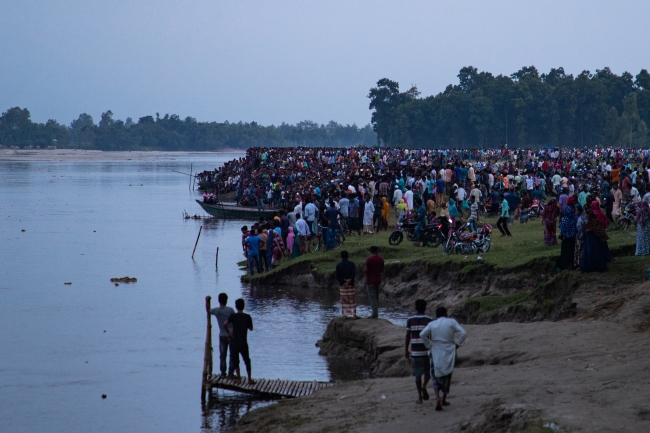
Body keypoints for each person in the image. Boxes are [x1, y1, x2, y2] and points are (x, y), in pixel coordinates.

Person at [419, 306, 467, 411]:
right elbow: (463, 333)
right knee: (447, 375)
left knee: (434, 374)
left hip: (435, 351)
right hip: (449, 350)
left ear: (436, 315)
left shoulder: (432, 324)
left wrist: (429, 344)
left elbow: (422, 334)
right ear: (446, 313)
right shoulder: (452, 322)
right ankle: (444, 399)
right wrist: (457, 344)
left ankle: (437, 397)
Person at [405, 299, 433, 404]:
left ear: (415, 307)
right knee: (428, 372)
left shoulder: (410, 320)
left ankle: (420, 398)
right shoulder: (429, 320)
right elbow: (431, 337)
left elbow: (408, 336)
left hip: (415, 351)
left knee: (417, 374)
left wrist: (406, 350)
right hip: (426, 351)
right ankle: (424, 385)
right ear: (425, 307)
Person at [223, 299, 255, 384]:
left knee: (236, 361)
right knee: (247, 360)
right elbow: (251, 328)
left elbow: (225, 324)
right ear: (244, 306)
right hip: (243, 342)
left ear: (236, 307)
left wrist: (229, 333)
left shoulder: (234, 316)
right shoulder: (247, 317)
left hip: (234, 342)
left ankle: (239, 378)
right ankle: (249, 379)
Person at [579, 202, 613, 272]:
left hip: (593, 241)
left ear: (589, 214)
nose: (586, 215)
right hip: (591, 240)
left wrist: (588, 229)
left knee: (593, 253)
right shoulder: (591, 220)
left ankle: (593, 267)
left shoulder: (593, 221)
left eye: (587, 214)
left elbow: (594, 229)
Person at [210, 293, 235, 377]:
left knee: (223, 355)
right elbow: (235, 320)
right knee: (232, 354)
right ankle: (231, 372)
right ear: (226, 300)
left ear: (219, 300)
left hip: (222, 335)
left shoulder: (217, 311)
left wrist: (207, 301)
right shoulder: (231, 310)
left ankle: (223, 372)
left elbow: (208, 310)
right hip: (231, 335)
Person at [335, 251, 358, 319]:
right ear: (348, 256)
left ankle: (345, 315)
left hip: (343, 285)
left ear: (341, 257)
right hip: (351, 284)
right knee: (352, 299)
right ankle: (354, 314)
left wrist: (344, 281)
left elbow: (337, 276)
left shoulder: (338, 265)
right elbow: (353, 274)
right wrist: (349, 280)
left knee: (344, 300)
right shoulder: (352, 264)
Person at [364, 246, 384, 318]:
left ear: (371, 251)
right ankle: (375, 312)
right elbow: (382, 269)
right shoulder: (381, 259)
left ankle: (374, 314)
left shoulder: (369, 260)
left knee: (372, 298)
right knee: (376, 297)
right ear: (376, 251)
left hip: (370, 281)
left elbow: (366, 270)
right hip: (378, 280)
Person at [557, 205, 577, 271]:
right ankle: (572, 265)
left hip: (565, 240)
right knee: (572, 252)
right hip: (573, 239)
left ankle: (564, 266)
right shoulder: (574, 219)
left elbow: (561, 229)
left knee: (565, 253)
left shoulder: (565, 220)